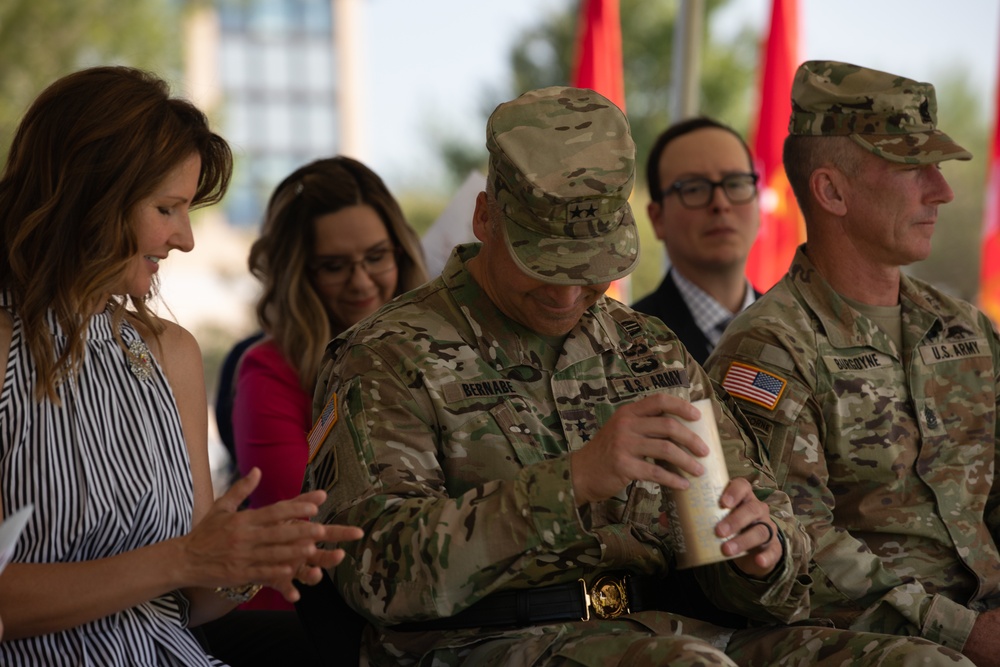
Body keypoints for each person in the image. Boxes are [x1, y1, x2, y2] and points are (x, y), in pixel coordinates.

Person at [303, 86, 971, 666]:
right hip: (481, 644)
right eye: (544, 264)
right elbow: (376, 573)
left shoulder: (646, 350)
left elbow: (774, 544)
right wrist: (571, 483)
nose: (567, 295)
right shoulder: (386, 355)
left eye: (589, 268)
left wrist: (759, 552)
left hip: (663, 631)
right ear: (485, 219)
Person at [0, 65, 362, 665]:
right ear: (90, 196)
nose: (185, 238)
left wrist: (248, 560)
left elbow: (193, 600)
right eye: (167, 208)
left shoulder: (171, 352)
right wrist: (183, 559)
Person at [705, 60, 1000, 664]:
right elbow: (798, 547)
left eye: (937, 169)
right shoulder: (771, 348)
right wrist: (963, 634)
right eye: (912, 169)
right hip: (859, 639)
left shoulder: (967, 331)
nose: (941, 190)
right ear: (832, 191)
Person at [232, 155, 428, 610]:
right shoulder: (267, 371)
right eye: (335, 266)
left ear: (401, 251)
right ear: (300, 274)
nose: (362, 282)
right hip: (307, 613)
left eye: (377, 257)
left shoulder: (441, 346)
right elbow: (313, 523)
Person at [632, 118, 762, 364]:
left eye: (735, 183)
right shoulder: (621, 343)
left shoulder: (803, 332)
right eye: (694, 188)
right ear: (657, 218)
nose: (721, 204)